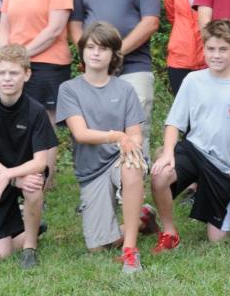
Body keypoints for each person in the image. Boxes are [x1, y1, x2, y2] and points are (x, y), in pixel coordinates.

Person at [55, 21, 158, 274]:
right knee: (99, 246)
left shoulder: (125, 89)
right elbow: (81, 134)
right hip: (91, 171)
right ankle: (142, 220)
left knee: (132, 165)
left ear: (113, 54)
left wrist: (129, 144)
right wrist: (117, 136)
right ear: (82, 51)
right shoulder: (69, 89)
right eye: (91, 47)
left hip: (119, 160)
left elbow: (135, 136)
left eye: (103, 48)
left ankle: (130, 251)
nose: (96, 53)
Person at [150, 20, 230, 251]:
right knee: (160, 176)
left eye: (223, 49)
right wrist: (168, 154)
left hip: (222, 166)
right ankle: (169, 232)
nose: (216, 55)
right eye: (211, 49)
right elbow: (174, 123)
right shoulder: (193, 80)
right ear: (204, 48)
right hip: (194, 150)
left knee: (216, 239)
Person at [69, 0, 161, 138]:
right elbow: (75, 24)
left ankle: (135, 161)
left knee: (135, 129)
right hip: (95, 68)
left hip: (134, 66)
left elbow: (150, 22)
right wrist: (88, 54)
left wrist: (116, 53)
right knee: (97, 127)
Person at [0, 45, 57, 269]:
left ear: (27, 74)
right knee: (1, 255)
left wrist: (10, 176)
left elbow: (40, 162)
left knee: (33, 185)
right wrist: (7, 177)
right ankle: (33, 227)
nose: (7, 78)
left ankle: (30, 247)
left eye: (14, 73)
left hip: (27, 173)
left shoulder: (36, 111)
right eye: (2, 73)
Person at [0, 0, 71, 190]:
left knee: (44, 124)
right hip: (15, 64)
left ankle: (45, 182)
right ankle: (20, 179)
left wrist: (20, 56)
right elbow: (4, 24)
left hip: (48, 64)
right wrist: (6, 56)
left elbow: (54, 29)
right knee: (16, 121)